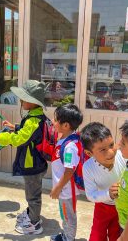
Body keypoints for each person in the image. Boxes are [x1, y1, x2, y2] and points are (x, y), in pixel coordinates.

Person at [0, 80, 48, 235]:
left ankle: (34, 223)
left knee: (33, 195)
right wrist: (15, 127)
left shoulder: (34, 120)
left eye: (24, 99)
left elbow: (21, 139)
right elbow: (27, 132)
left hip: (32, 165)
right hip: (35, 163)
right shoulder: (35, 116)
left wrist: (1, 137)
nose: (21, 101)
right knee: (32, 192)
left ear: (33, 102)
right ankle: (32, 215)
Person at [80, 122, 126, 241]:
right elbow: (90, 195)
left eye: (111, 145)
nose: (110, 152)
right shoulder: (88, 167)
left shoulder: (123, 157)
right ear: (89, 153)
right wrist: (108, 194)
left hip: (122, 206)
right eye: (102, 150)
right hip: (102, 206)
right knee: (97, 234)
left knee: (116, 233)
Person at [49, 103, 83, 241]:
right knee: (65, 214)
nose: (53, 122)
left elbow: (69, 171)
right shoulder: (65, 139)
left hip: (66, 190)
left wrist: (58, 188)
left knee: (68, 215)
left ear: (66, 125)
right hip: (64, 188)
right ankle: (66, 235)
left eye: (56, 120)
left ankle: (68, 238)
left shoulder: (69, 147)